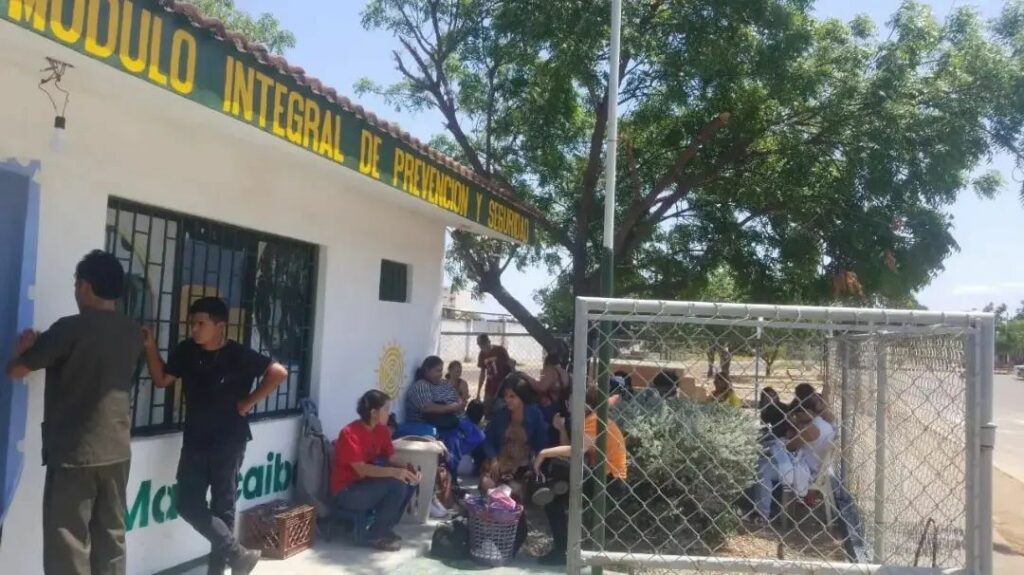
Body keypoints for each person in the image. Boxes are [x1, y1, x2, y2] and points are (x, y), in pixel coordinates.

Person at [5, 250, 143, 575]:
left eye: (77, 284)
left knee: (68, 546)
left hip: (74, 454)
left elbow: (17, 370)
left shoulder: (69, 329)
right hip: (117, 450)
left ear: (85, 286)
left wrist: (25, 350)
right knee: (112, 539)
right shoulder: (131, 331)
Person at [143, 297, 288, 575]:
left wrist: (249, 402)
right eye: (192, 324)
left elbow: (278, 372)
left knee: (223, 507)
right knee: (187, 504)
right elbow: (162, 380)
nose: (194, 329)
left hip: (229, 441)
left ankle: (219, 570)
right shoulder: (187, 350)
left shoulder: (238, 355)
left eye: (201, 323)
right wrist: (150, 347)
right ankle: (239, 556)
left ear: (220, 326)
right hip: (195, 441)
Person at [532, 386, 628, 565]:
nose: (568, 405)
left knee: (559, 467)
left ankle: (557, 484)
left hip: (610, 481)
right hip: (597, 477)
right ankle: (563, 550)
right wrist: (561, 429)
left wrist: (544, 453)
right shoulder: (588, 420)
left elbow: (577, 450)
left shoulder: (595, 420)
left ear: (586, 404)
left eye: (572, 401)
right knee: (553, 500)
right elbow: (570, 452)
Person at [331, 390, 420, 551]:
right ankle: (375, 535)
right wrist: (394, 472)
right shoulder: (349, 433)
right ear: (373, 412)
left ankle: (384, 528)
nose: (389, 413)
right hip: (347, 491)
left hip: (367, 485)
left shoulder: (382, 430)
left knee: (407, 481)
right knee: (396, 483)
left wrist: (408, 468)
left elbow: (391, 458)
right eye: (386, 409)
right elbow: (362, 470)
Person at [479, 376, 548, 554]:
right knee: (487, 485)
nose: (507, 400)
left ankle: (511, 539)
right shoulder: (501, 415)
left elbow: (542, 444)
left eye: (512, 396)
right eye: (506, 396)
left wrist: (534, 463)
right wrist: (493, 459)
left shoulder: (534, 415)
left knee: (513, 493)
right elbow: (488, 440)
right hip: (499, 464)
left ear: (522, 397)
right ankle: (491, 537)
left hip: (522, 467)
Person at [405, 356, 465, 428]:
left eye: (441, 371)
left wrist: (459, 402)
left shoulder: (443, 382)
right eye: (438, 371)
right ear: (427, 370)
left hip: (455, 420)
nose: (441, 374)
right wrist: (452, 407)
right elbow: (428, 408)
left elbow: (457, 396)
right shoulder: (421, 385)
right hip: (431, 427)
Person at [524, 353, 569, 422]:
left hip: (549, 407)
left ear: (547, 363)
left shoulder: (550, 371)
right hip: (560, 406)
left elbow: (541, 387)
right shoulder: (564, 372)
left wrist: (526, 377)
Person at [475, 334, 512, 410]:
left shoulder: (500, 350)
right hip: (490, 385)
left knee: (500, 407)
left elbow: (510, 366)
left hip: (503, 384)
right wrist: (478, 392)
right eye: (480, 345)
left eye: (484, 344)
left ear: (489, 342)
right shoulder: (482, 354)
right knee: (487, 406)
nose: (483, 347)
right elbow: (482, 373)